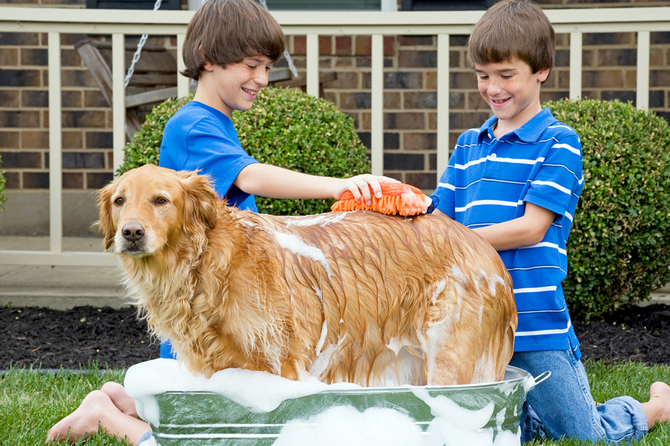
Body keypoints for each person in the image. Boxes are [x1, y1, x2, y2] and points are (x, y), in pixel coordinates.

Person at [47, 0, 396, 444]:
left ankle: (117, 400)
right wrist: (337, 186)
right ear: (209, 59)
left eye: (267, 67)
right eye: (252, 65)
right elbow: (249, 175)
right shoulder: (193, 126)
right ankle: (110, 416)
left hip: (224, 299)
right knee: (211, 429)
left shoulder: (215, 122)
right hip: (207, 312)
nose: (263, 79)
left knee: (213, 408)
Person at [429, 0, 670, 443]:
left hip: (536, 323)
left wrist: (455, 241)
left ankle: (653, 407)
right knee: (502, 433)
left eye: (506, 75)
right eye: (483, 75)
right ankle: (533, 414)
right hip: (476, 322)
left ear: (541, 69)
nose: (493, 87)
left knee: (585, 436)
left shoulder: (559, 143)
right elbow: (435, 217)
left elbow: (531, 228)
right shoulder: (468, 146)